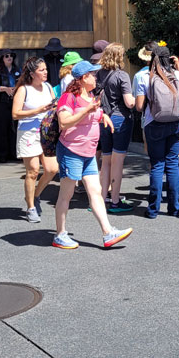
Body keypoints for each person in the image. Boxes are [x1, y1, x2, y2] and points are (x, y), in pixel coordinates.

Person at [52, 61, 133, 250]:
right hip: (70, 152)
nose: (95, 77)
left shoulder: (90, 97)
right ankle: (60, 235)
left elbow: (94, 115)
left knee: (95, 192)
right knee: (66, 194)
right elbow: (64, 122)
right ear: (82, 78)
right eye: (92, 74)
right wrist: (88, 111)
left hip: (88, 154)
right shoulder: (67, 98)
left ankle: (107, 233)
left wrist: (101, 115)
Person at [136, 45, 179, 218]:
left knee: (157, 165)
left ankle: (153, 209)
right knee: (172, 164)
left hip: (154, 123)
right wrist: (178, 66)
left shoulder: (144, 76)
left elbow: (138, 106)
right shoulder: (177, 76)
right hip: (177, 122)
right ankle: (174, 208)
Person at [11, 56, 59, 223]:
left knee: (52, 169)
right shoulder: (24, 89)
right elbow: (15, 114)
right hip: (28, 133)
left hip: (46, 132)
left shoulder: (48, 87)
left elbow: (54, 107)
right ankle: (31, 206)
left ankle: (36, 195)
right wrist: (38, 110)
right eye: (41, 70)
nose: (45, 72)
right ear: (32, 73)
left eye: (46, 69)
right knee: (32, 171)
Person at [95, 43, 136, 214]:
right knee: (117, 162)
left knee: (105, 161)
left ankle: (102, 198)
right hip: (120, 118)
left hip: (103, 119)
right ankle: (115, 200)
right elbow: (129, 102)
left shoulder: (98, 74)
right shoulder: (122, 75)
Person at [0, 50, 20, 162]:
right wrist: (4, 89)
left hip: (14, 102)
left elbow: (22, 82)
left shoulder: (17, 70)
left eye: (11, 56)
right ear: (2, 58)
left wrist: (16, 89)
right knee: (1, 129)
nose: (9, 58)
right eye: (7, 56)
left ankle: (14, 153)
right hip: (1, 103)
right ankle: (2, 155)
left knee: (14, 128)